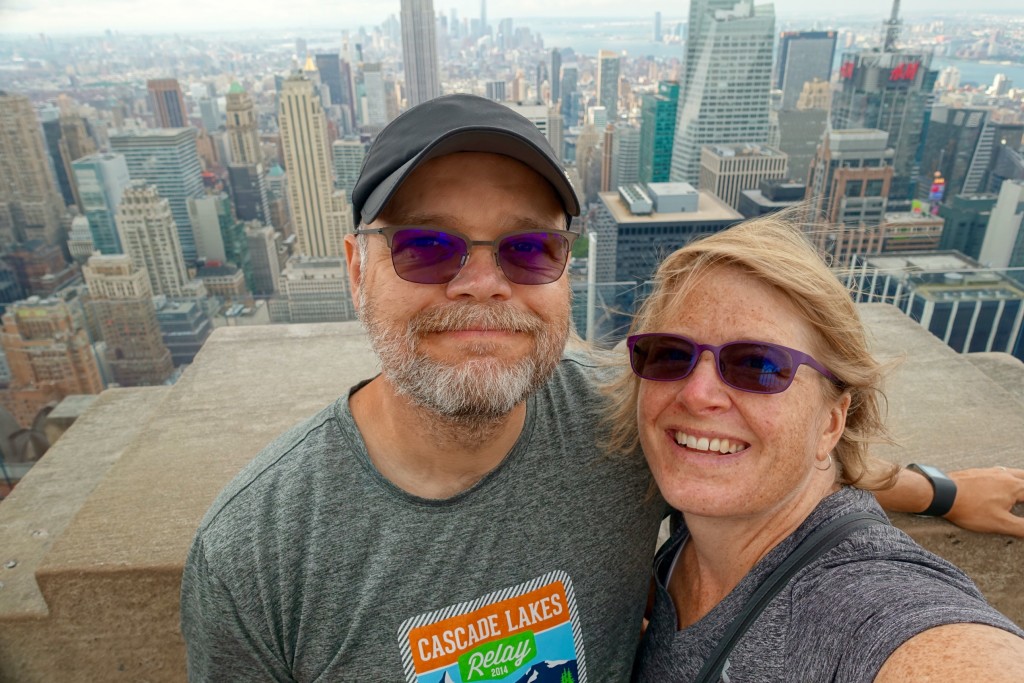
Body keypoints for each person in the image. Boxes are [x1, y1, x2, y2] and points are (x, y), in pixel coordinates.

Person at [180, 94, 1024, 683]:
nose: (482, 285)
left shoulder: (626, 422)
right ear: (357, 267)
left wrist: (944, 491)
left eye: (528, 250)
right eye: (428, 248)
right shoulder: (255, 555)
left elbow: (776, 462)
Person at [611, 217, 1024, 681]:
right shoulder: (694, 539)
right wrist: (942, 493)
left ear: (831, 422)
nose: (696, 393)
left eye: (758, 366)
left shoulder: (856, 602)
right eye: (669, 354)